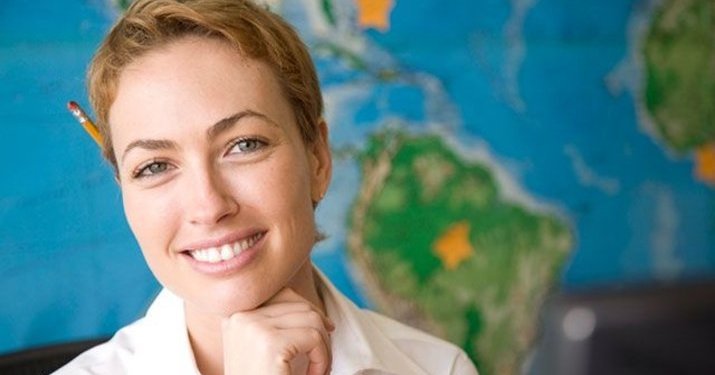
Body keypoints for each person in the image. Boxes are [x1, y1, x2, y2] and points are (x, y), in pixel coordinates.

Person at [55, 0, 479, 374]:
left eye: (244, 145)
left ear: (318, 160)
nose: (208, 205)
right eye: (154, 167)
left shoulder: (438, 369)